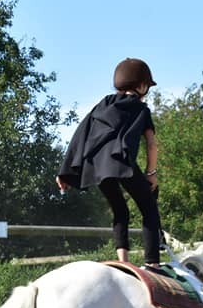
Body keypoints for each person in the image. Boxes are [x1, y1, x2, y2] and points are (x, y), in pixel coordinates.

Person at [56, 58, 165, 266]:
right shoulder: (142, 110)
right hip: (121, 162)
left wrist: (65, 171)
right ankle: (153, 263)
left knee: (120, 210)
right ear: (141, 85)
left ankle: (122, 261)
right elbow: (152, 145)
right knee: (149, 208)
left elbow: (81, 133)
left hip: (97, 166)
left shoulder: (104, 103)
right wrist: (151, 174)